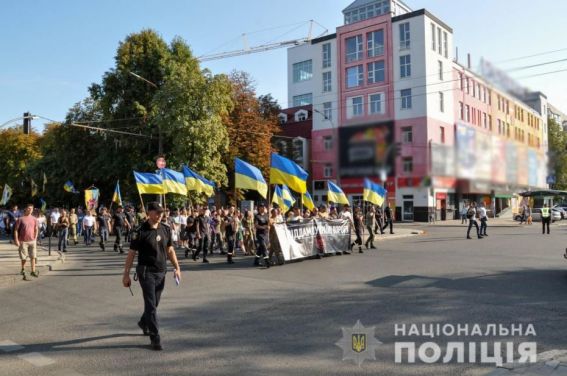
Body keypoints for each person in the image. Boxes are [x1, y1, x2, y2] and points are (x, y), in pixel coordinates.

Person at [122, 202, 181, 351]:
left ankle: (144, 322)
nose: (160, 215)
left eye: (161, 212)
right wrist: (126, 274)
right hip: (145, 272)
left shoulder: (166, 229)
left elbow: (170, 250)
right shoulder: (140, 231)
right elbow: (131, 254)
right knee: (151, 305)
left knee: (155, 303)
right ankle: (155, 337)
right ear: (149, 213)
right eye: (157, 212)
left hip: (161, 271)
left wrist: (177, 267)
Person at [14, 204, 39, 280]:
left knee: (33, 256)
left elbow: (36, 228)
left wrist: (35, 237)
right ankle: (23, 269)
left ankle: (33, 271)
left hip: (32, 241)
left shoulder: (34, 219)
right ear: (26, 209)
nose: (30, 210)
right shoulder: (21, 219)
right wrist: (16, 240)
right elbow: (16, 230)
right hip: (23, 241)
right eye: (29, 208)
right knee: (24, 257)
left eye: (31, 209)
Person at [253, 203, 270, 268]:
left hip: (265, 234)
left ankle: (256, 261)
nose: (262, 208)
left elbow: (268, 224)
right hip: (259, 234)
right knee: (264, 247)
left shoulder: (266, 215)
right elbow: (256, 225)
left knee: (260, 248)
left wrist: (268, 226)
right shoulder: (257, 216)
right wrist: (264, 227)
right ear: (259, 208)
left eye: (263, 207)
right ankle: (267, 262)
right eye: (261, 207)